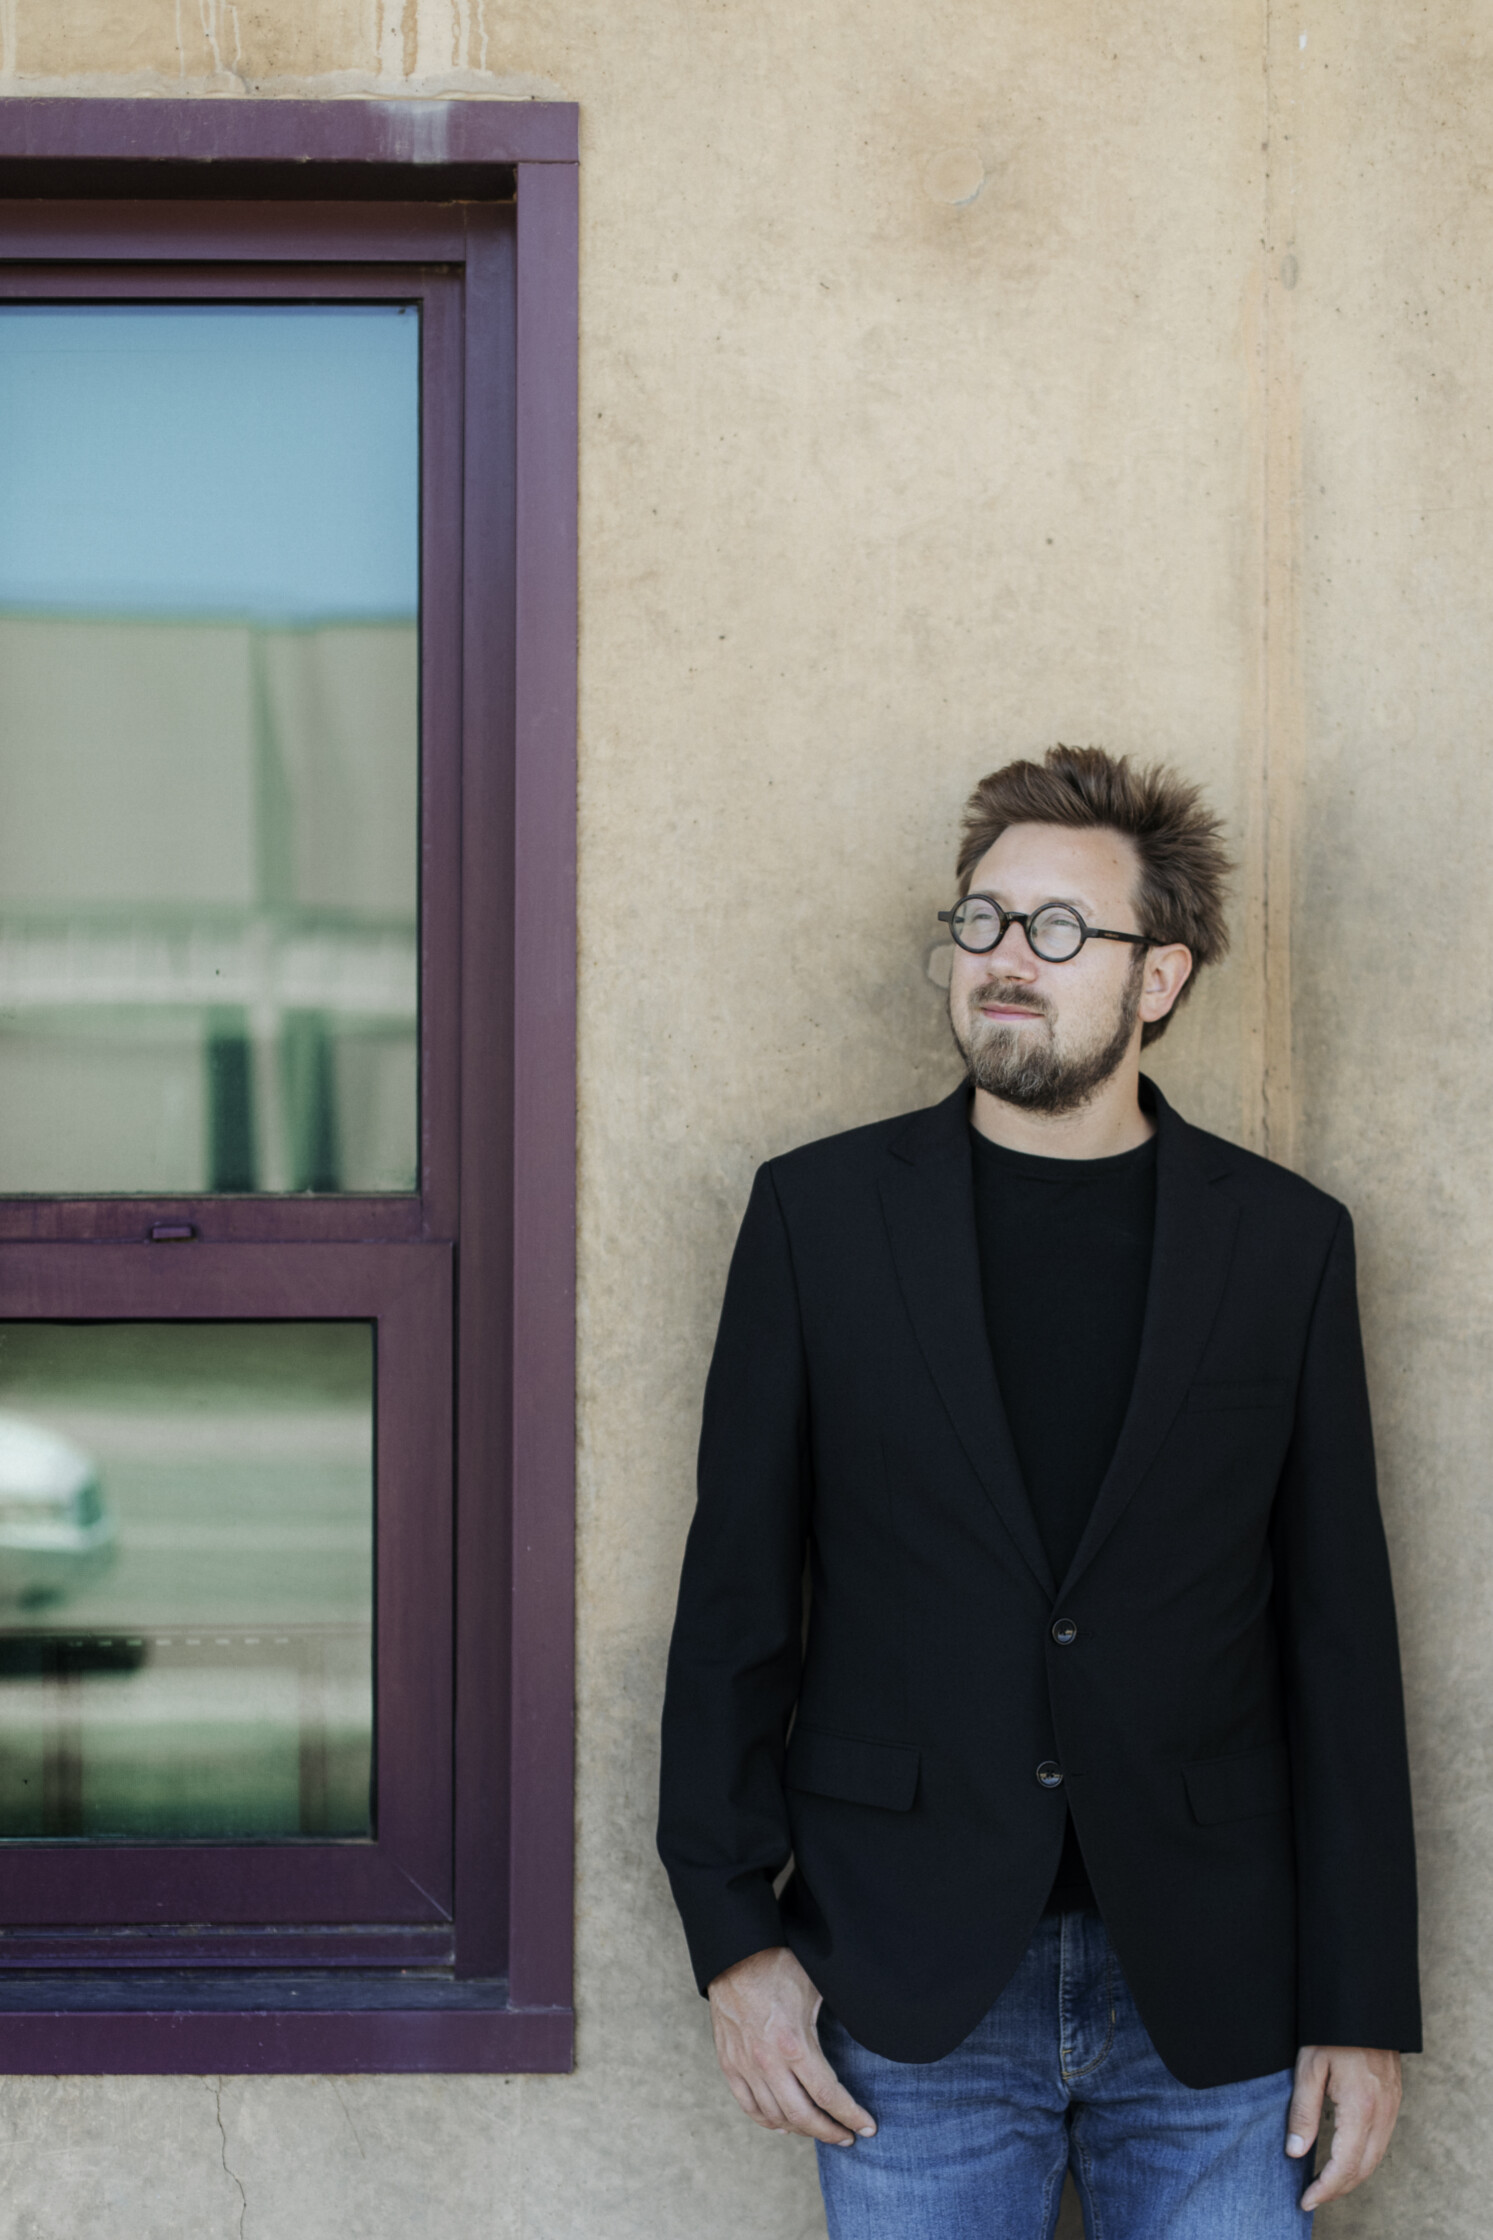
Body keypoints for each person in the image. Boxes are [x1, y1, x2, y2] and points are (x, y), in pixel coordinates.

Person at [657, 745, 1419, 2238]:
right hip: (905, 1978)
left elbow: (1339, 1641)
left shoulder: (1282, 1245)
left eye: (1061, 928)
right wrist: (733, 1941)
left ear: (1158, 977)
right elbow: (734, 1604)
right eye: (985, 919)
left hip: (1215, 1990)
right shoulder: (819, 1219)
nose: (1008, 957)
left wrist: (1360, 2001)